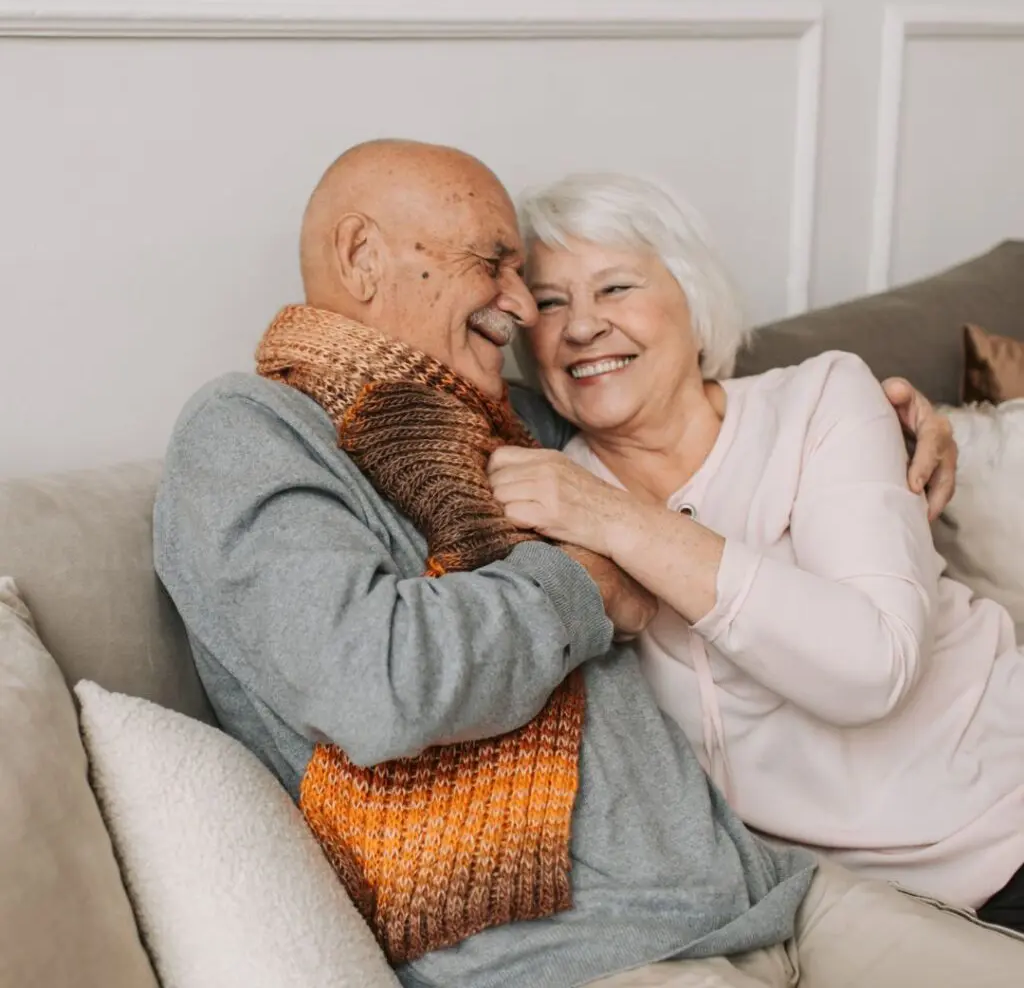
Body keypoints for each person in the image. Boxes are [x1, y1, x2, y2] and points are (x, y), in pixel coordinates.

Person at [154, 140, 1022, 988]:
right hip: (604, 948)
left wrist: (911, 419)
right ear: (362, 255)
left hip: (783, 894)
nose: (528, 313)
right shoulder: (255, 430)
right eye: (501, 268)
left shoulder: (519, 426)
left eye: (598, 286)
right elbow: (374, 682)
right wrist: (589, 586)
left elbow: (681, 395)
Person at [492, 169, 1024, 937]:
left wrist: (617, 521)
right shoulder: (548, 487)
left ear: (693, 301)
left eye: (615, 289)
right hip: (840, 911)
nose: (581, 327)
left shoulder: (822, 400)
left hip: (1005, 814)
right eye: (548, 302)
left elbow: (874, 667)